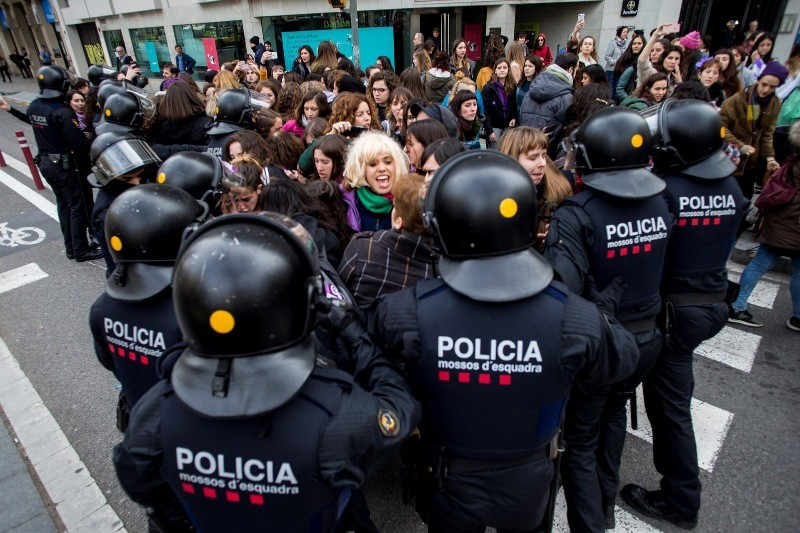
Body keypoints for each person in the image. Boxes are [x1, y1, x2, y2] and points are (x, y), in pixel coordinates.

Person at [365, 149, 639, 532]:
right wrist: (601, 317)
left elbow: (367, 355)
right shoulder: (572, 317)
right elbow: (622, 361)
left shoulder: (406, 312)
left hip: (447, 478)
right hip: (529, 479)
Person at [113, 213, 421, 532]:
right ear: (302, 305)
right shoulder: (335, 412)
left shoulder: (159, 408)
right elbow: (401, 409)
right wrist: (354, 333)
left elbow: (138, 479)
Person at [621, 98, 748, 530]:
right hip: (709, 303)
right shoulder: (730, 188)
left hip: (674, 312)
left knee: (668, 408)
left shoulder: (667, 192)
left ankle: (680, 499)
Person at [545, 107, 672, 531]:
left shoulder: (575, 214)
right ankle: (605, 506)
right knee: (613, 414)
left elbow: (562, 287)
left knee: (579, 440)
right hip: (647, 338)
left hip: (600, 340)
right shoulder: (661, 200)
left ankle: (592, 522)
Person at [89, 183, 206, 418]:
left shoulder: (102, 308)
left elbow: (109, 362)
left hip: (139, 419)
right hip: (188, 426)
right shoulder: (193, 312)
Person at [729, 120, 800, 330]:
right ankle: (797, 315)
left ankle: (737, 305)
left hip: (780, 222)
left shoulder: (793, 160)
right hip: (793, 225)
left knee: (761, 263)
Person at [26, 66, 101, 262]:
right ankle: (81, 249)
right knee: (77, 207)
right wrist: (94, 134)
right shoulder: (62, 113)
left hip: (45, 162)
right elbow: (80, 144)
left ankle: (71, 248)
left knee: (64, 206)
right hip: (65, 165)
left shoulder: (35, 106)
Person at [338, 173, 435, 307]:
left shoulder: (362, 248)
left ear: (398, 221)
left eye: (395, 206)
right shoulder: (441, 270)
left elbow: (338, 293)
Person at [90, 131, 162, 275]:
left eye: (140, 175)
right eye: (127, 179)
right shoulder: (108, 212)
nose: (136, 182)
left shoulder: (136, 188)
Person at [720, 61, 787, 204]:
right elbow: (720, 128)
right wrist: (739, 145)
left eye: (772, 87)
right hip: (730, 156)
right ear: (758, 80)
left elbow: (768, 132)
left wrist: (769, 157)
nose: (766, 89)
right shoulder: (737, 100)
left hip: (751, 161)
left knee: (745, 196)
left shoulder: (775, 103)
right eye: (764, 84)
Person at [498, 126, 573, 250]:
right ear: (512, 158)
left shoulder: (559, 192)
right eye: (533, 158)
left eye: (544, 155)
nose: (543, 163)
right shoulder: (495, 199)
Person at [342, 131, 408, 231]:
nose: (382, 168)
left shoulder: (410, 202)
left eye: (388, 162)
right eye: (373, 164)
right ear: (361, 170)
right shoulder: (345, 203)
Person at [519, 53, 578, 130]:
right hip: (546, 141)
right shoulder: (566, 96)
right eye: (577, 69)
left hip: (525, 138)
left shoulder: (533, 87)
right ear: (570, 70)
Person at [481, 58, 517, 149]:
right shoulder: (488, 88)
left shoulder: (512, 86)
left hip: (508, 125)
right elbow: (486, 111)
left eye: (505, 67)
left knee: (507, 151)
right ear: (495, 70)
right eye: (499, 68)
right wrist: (490, 131)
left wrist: (513, 117)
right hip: (494, 126)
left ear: (508, 69)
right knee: (495, 152)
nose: (502, 70)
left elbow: (513, 105)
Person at [605, 26, 629, 97]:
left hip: (621, 70)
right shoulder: (613, 43)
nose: (625, 34)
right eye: (624, 32)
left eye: (627, 32)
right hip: (611, 70)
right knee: (610, 88)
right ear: (620, 32)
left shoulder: (627, 44)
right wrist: (615, 62)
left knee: (617, 88)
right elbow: (607, 56)